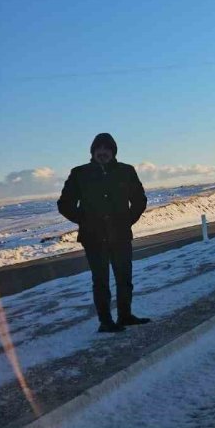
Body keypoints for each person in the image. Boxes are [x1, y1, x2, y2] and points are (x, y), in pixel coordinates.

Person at [57, 133, 150, 333]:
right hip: (93, 238)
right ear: (92, 151)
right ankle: (106, 322)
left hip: (121, 236)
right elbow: (64, 204)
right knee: (100, 281)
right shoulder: (80, 174)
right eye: (98, 148)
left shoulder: (126, 171)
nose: (102, 152)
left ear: (113, 151)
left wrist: (127, 220)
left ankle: (125, 316)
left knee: (124, 278)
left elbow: (139, 200)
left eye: (107, 148)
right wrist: (84, 220)